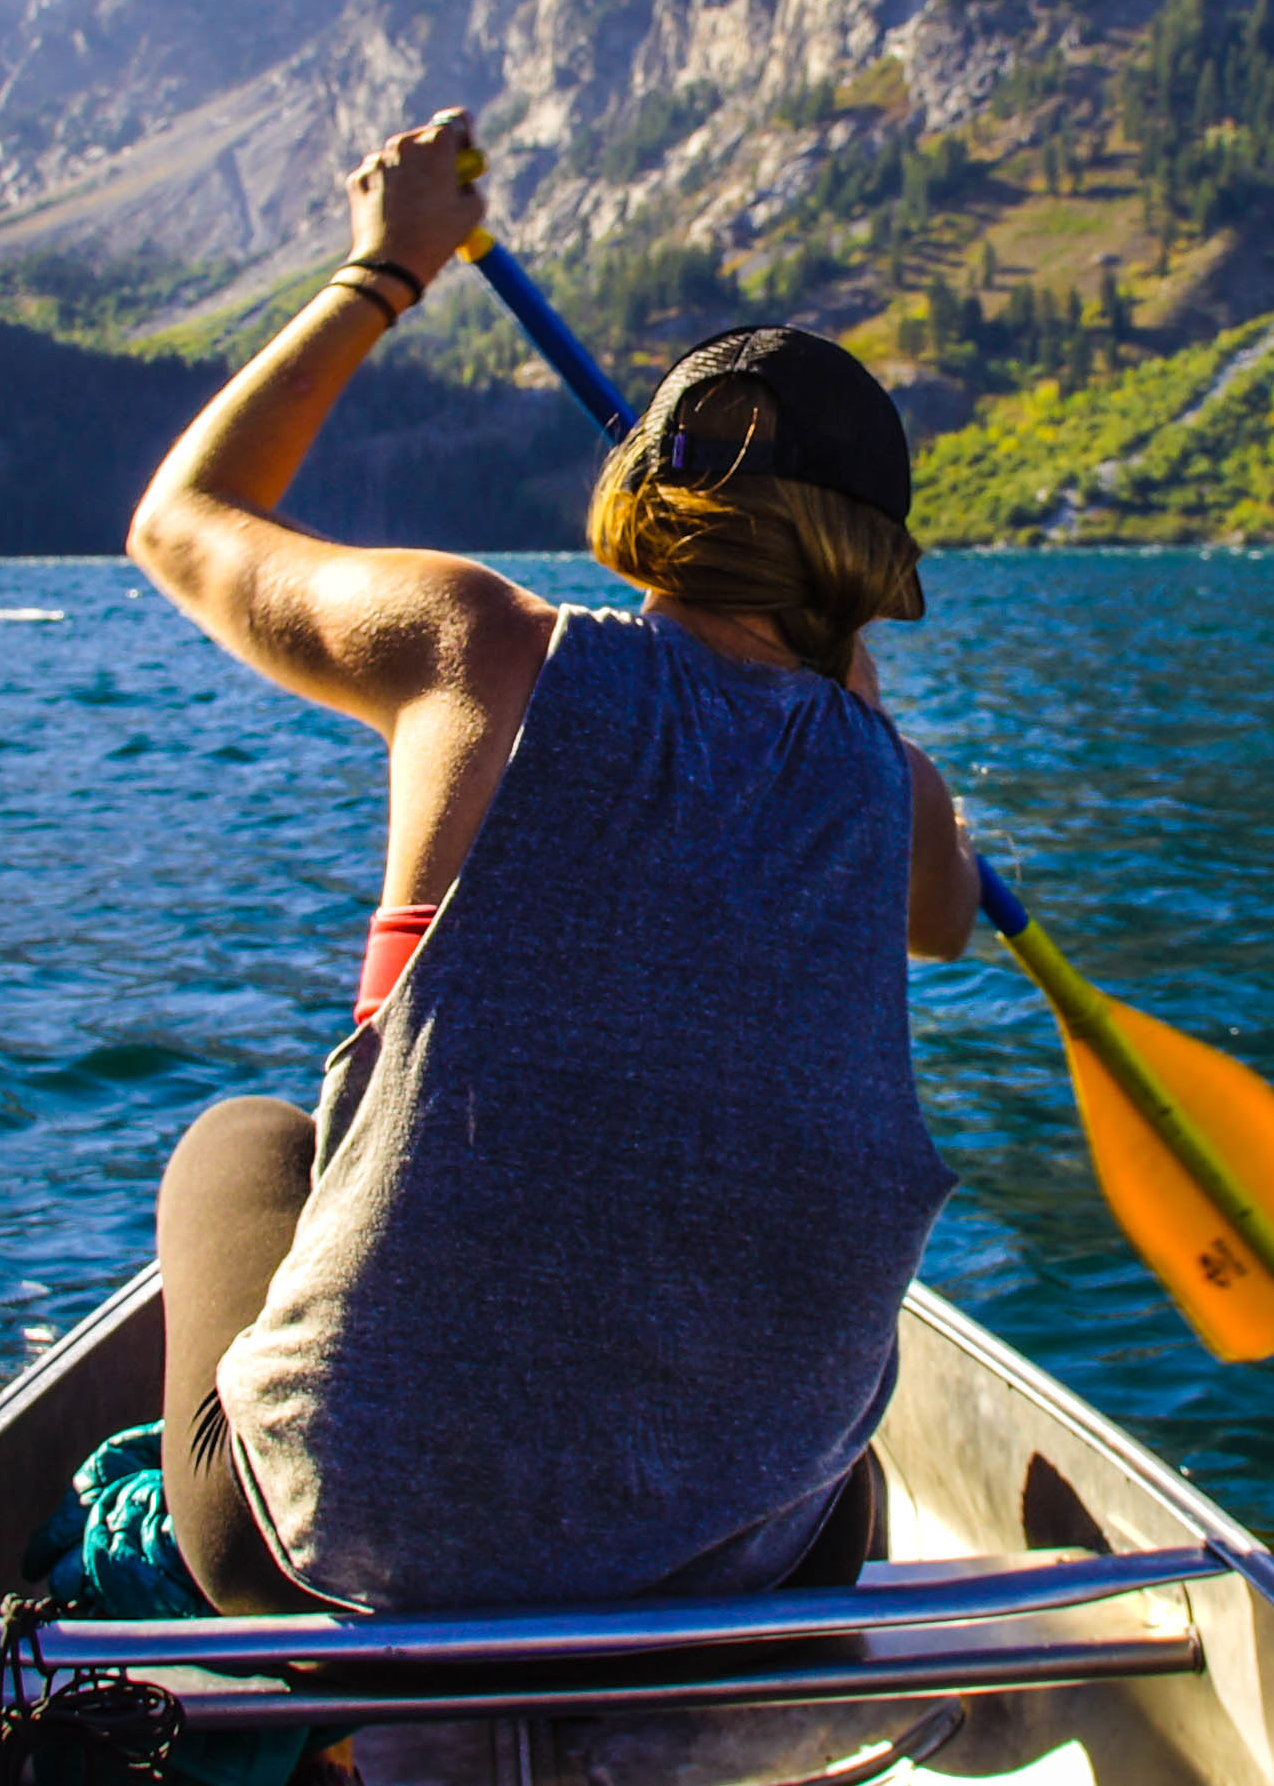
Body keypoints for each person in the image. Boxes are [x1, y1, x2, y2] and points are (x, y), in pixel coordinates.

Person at [125, 109, 980, 1696]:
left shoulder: (479, 650)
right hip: (749, 1573)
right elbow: (940, 919)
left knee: (247, 1146)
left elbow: (179, 523)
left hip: (336, 1551)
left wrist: (387, 267)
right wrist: (847, 689)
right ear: (869, 568)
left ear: (649, 497)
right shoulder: (901, 795)